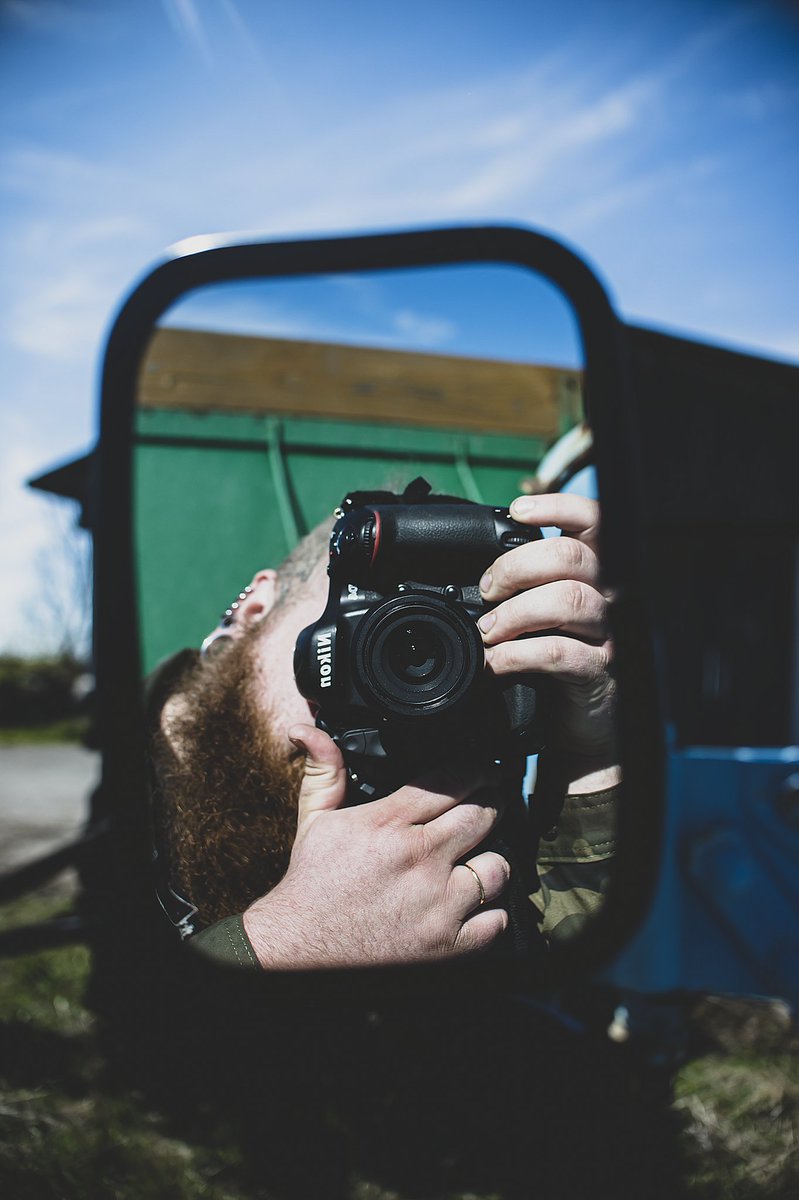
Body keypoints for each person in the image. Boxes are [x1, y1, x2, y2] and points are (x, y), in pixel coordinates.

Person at [148, 489, 619, 969]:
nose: (406, 692)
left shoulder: (476, 827)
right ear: (254, 609)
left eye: (457, 649)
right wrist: (290, 942)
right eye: (365, 633)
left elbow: (578, 989)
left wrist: (592, 760)